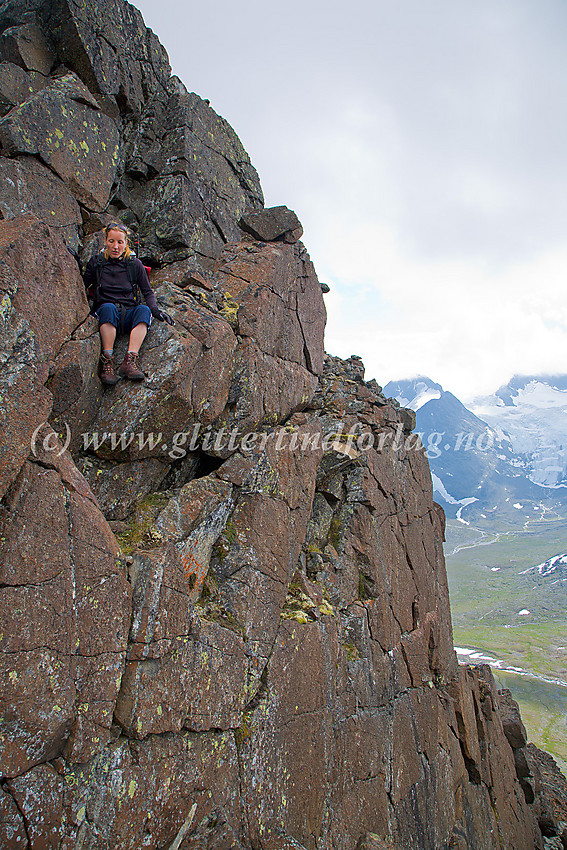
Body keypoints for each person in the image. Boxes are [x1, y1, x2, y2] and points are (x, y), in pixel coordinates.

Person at [83, 222, 173, 385]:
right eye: (111, 241)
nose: (115, 246)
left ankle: (130, 361)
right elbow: (82, 285)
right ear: (105, 241)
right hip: (107, 313)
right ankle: (107, 361)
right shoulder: (96, 263)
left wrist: (155, 310)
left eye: (120, 242)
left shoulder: (134, 264)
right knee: (108, 308)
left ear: (126, 244)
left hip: (129, 313)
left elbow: (147, 291)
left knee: (144, 310)